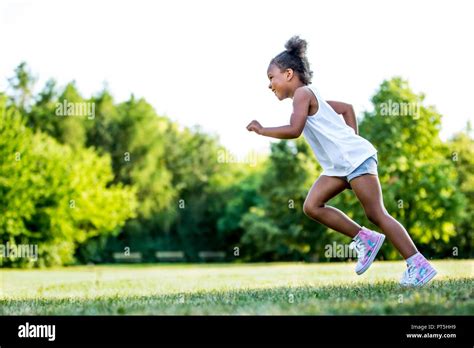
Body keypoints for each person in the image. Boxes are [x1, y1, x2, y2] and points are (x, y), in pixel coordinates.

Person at [246, 36, 437, 287]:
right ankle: (366, 239)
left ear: (289, 73)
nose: (269, 85)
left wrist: (262, 130)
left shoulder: (303, 94)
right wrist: (348, 144)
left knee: (376, 213)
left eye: (272, 78)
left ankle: (418, 265)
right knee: (312, 206)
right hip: (341, 166)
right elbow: (347, 108)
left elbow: (295, 130)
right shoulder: (311, 98)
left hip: (354, 160)